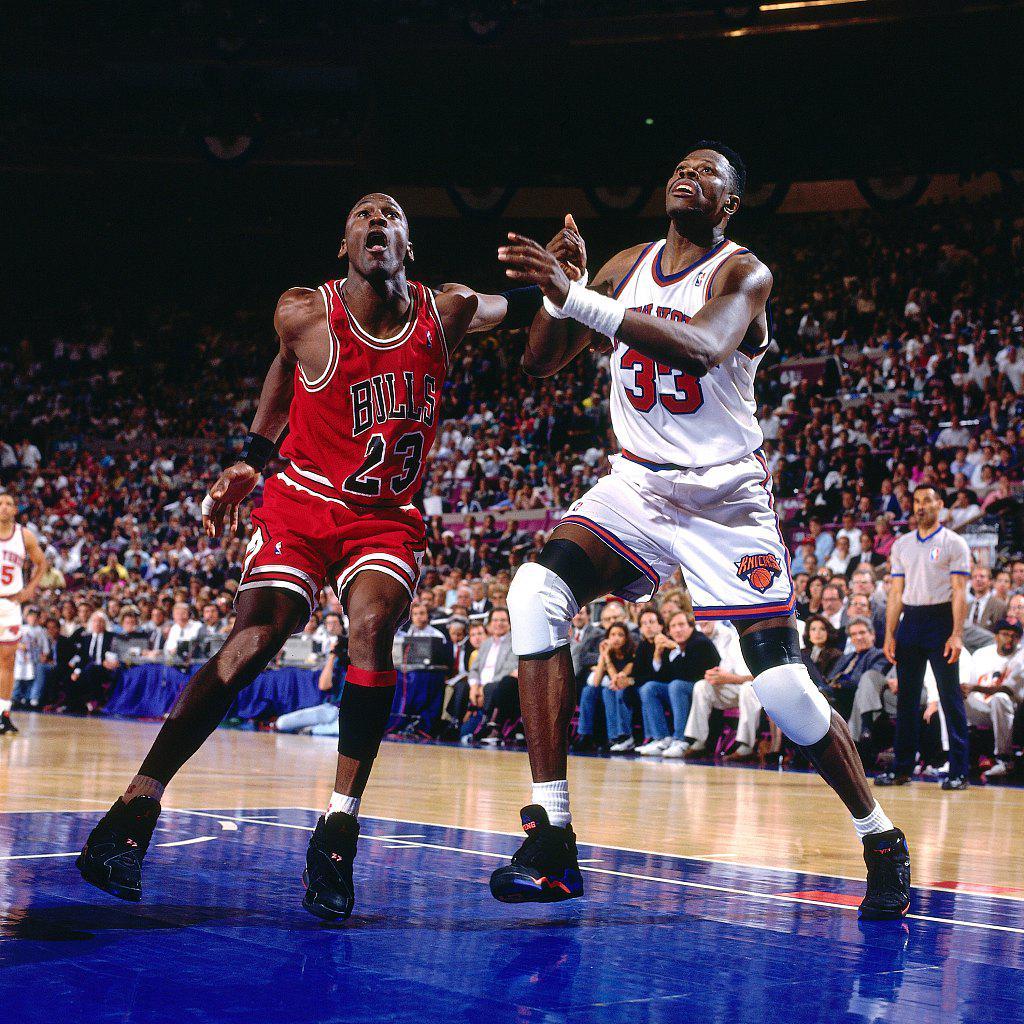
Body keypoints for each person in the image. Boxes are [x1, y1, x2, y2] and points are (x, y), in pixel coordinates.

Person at [78, 192, 576, 919]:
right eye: (362, 215)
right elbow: (285, 367)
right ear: (344, 246)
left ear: (408, 246)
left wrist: (559, 282)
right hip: (303, 502)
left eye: (391, 215)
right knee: (255, 638)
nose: (376, 221)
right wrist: (253, 456)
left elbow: (525, 312)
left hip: (384, 517)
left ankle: (338, 830)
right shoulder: (305, 311)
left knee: (371, 629)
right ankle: (134, 808)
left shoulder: (450, 309)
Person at [492, 143, 910, 920]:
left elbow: (702, 347)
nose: (688, 173)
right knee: (534, 593)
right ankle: (552, 835)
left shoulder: (743, 274)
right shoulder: (625, 264)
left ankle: (879, 835)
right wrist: (559, 296)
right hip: (639, 484)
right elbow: (541, 362)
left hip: (726, 500)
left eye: (707, 170)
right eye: (681, 165)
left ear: (731, 203)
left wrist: (578, 297)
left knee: (784, 692)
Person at [879, 486, 971, 790]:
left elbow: (960, 591)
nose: (921, 507)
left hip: (941, 620)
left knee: (949, 696)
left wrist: (956, 634)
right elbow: (896, 593)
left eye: (927, 501)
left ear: (939, 504)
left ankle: (959, 770)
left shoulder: (953, 542)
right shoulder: (902, 544)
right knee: (906, 698)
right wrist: (890, 633)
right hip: (911, 620)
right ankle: (902, 768)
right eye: (917, 501)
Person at [637, 610, 719, 757]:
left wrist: (675, 649)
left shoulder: (699, 642)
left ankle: (681, 739)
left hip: (707, 690)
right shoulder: (674, 645)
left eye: (681, 625)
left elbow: (689, 675)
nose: (677, 630)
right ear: (668, 630)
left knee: (676, 686)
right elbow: (662, 676)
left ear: (691, 626)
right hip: (681, 690)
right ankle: (662, 738)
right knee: (649, 688)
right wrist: (658, 653)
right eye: (673, 626)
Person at [0, 492, 47, 734]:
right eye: (0, 503)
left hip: (10, 604)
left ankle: (3, 713)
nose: (4, 507)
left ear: (15, 509)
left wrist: (30, 589)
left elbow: (42, 563)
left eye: (8, 504)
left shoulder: (24, 535)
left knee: (7, 661)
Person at [963, 619, 1023, 781]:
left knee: (1000, 697)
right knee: (950, 696)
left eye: (1014, 636)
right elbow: (969, 684)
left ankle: (1004, 758)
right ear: (996, 636)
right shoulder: (981, 654)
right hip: (982, 708)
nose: (1009, 639)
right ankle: (949, 754)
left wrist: (974, 688)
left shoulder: (1020, 657)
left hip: (1010, 711)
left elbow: (1007, 690)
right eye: (1005, 634)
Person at [575, 622, 635, 752]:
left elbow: (616, 680)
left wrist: (607, 659)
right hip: (610, 688)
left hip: (628, 687)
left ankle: (616, 737)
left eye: (620, 635)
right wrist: (603, 656)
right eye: (613, 635)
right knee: (588, 690)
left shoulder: (631, 654)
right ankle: (585, 735)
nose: (616, 638)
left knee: (609, 691)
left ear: (626, 638)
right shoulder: (608, 653)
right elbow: (596, 682)